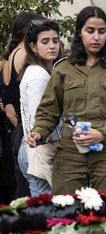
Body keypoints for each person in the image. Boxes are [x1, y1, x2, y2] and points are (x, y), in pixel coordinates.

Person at [27, 6, 106, 194]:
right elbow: (49, 109)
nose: (96, 37)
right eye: (90, 31)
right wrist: (38, 132)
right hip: (70, 155)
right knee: (67, 213)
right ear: (79, 33)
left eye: (102, 32)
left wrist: (102, 133)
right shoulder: (63, 69)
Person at [0, 12, 44, 201]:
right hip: (28, 132)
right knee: (33, 197)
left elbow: (9, 106)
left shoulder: (9, 58)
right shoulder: (25, 55)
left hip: (18, 131)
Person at [18, 19, 62, 196]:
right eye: (45, 41)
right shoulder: (38, 75)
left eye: (55, 40)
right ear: (33, 47)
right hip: (40, 151)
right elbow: (41, 119)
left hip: (36, 150)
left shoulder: (42, 72)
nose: (52, 46)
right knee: (45, 213)